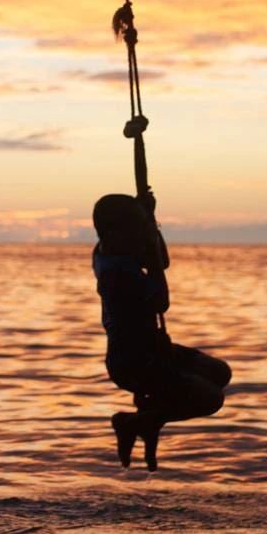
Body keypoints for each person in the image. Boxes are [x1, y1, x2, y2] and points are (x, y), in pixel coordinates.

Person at [93, 189, 230, 470]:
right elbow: (161, 301)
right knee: (212, 399)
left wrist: (150, 219)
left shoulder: (105, 252)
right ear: (113, 233)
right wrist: (153, 257)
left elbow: (160, 258)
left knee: (220, 373)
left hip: (154, 351)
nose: (143, 237)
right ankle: (138, 422)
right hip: (134, 364)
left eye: (144, 230)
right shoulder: (118, 274)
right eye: (137, 231)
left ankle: (148, 417)